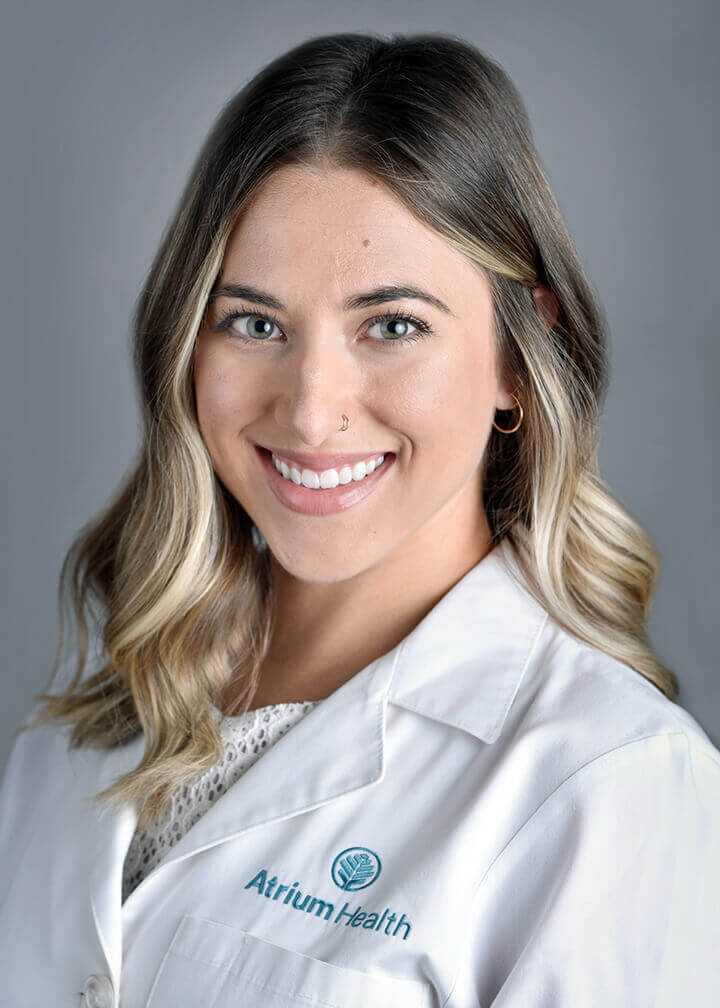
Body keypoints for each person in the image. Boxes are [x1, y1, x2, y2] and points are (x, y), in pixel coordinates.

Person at [1, 30, 718, 1008]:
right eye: (255, 323)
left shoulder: (611, 784)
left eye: (393, 326)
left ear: (519, 354)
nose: (309, 409)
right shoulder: (73, 739)